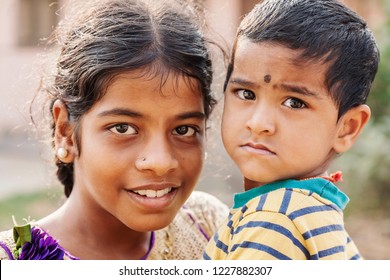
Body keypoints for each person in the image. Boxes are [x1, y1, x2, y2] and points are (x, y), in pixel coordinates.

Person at [0, 0, 229, 260]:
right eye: (123, 128)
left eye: (184, 129)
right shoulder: (14, 260)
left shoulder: (210, 227)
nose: (161, 162)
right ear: (65, 130)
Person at [203, 0, 379, 260]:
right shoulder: (314, 211)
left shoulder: (272, 221)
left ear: (347, 128)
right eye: (246, 93)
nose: (259, 123)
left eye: (294, 102)